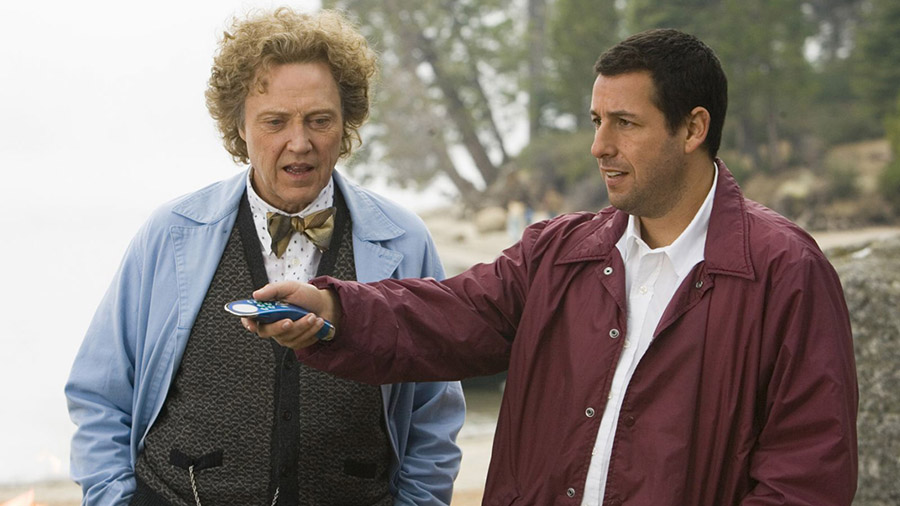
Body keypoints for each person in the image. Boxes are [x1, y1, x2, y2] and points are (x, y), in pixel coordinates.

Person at [248, 29, 859, 505]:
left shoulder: (784, 271)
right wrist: (333, 308)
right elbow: (447, 314)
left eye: (625, 124)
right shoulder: (560, 253)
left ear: (693, 128)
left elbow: (806, 474)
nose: (600, 146)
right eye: (597, 121)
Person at [65, 8, 464, 506]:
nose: (300, 143)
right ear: (240, 126)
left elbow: (435, 413)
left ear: (347, 121)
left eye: (319, 120)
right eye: (275, 122)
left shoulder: (405, 241)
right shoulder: (170, 234)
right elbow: (99, 394)